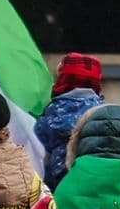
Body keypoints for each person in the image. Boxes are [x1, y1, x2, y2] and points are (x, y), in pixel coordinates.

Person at [38, 53, 106, 185]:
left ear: (63, 79)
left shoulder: (51, 113)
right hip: (95, 182)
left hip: (56, 184)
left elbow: (35, 149)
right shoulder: (105, 113)